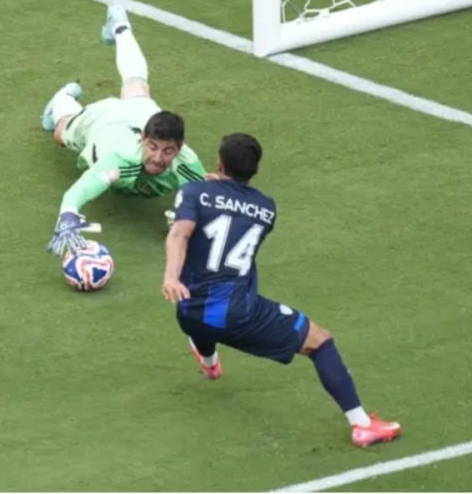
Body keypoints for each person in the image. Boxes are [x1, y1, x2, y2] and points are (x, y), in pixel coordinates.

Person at [161, 133, 401, 448]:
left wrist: (171, 277)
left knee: (206, 314)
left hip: (187, 309)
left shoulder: (193, 191)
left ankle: (209, 363)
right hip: (237, 316)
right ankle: (362, 425)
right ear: (256, 169)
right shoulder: (266, 209)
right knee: (320, 341)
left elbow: (180, 233)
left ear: (219, 164)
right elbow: (234, 213)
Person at [42, 4, 206, 257]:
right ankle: (62, 97)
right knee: (61, 131)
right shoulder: (120, 161)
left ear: (179, 148)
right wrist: (68, 214)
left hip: (141, 113)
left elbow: (208, 197)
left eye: (168, 151)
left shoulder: (188, 164)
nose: (158, 158)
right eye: (153, 147)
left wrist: (188, 217)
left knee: (137, 85)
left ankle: (120, 27)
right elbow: (81, 188)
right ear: (143, 140)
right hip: (103, 124)